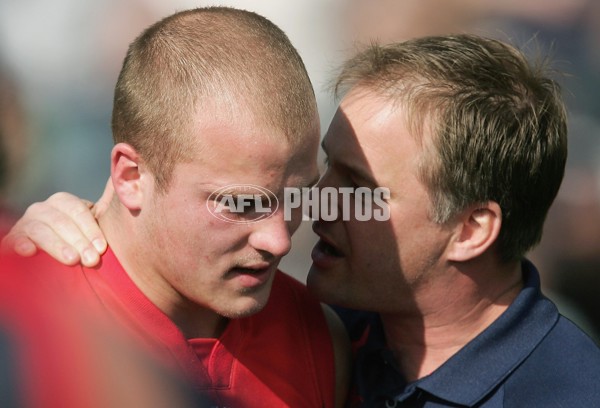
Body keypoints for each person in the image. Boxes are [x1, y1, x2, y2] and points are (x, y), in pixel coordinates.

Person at [6, 34, 600, 407]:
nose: (300, 221)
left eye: (360, 189)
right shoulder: (340, 329)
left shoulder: (565, 392)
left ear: (471, 230)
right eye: (322, 180)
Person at [0, 6, 350, 408]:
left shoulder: (320, 339)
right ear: (131, 178)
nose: (279, 241)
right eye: (242, 203)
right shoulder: (27, 329)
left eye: (296, 197)